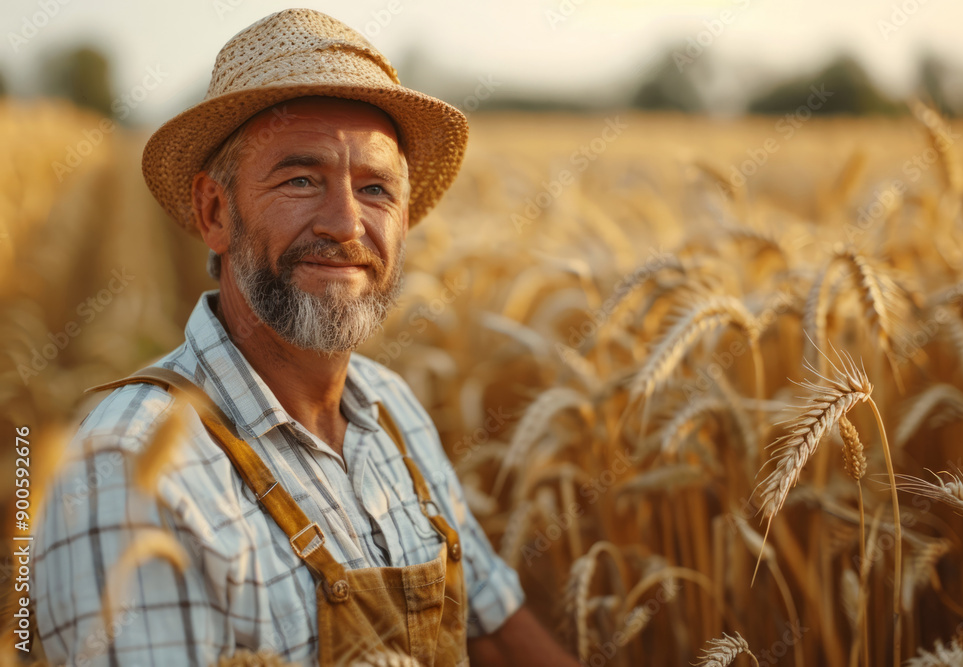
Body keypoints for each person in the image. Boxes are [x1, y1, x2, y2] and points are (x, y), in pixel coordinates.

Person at [33, 9, 580, 667]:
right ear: (214, 212)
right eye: (301, 179)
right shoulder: (126, 468)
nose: (347, 224)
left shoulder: (394, 411)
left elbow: (493, 627)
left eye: (376, 188)